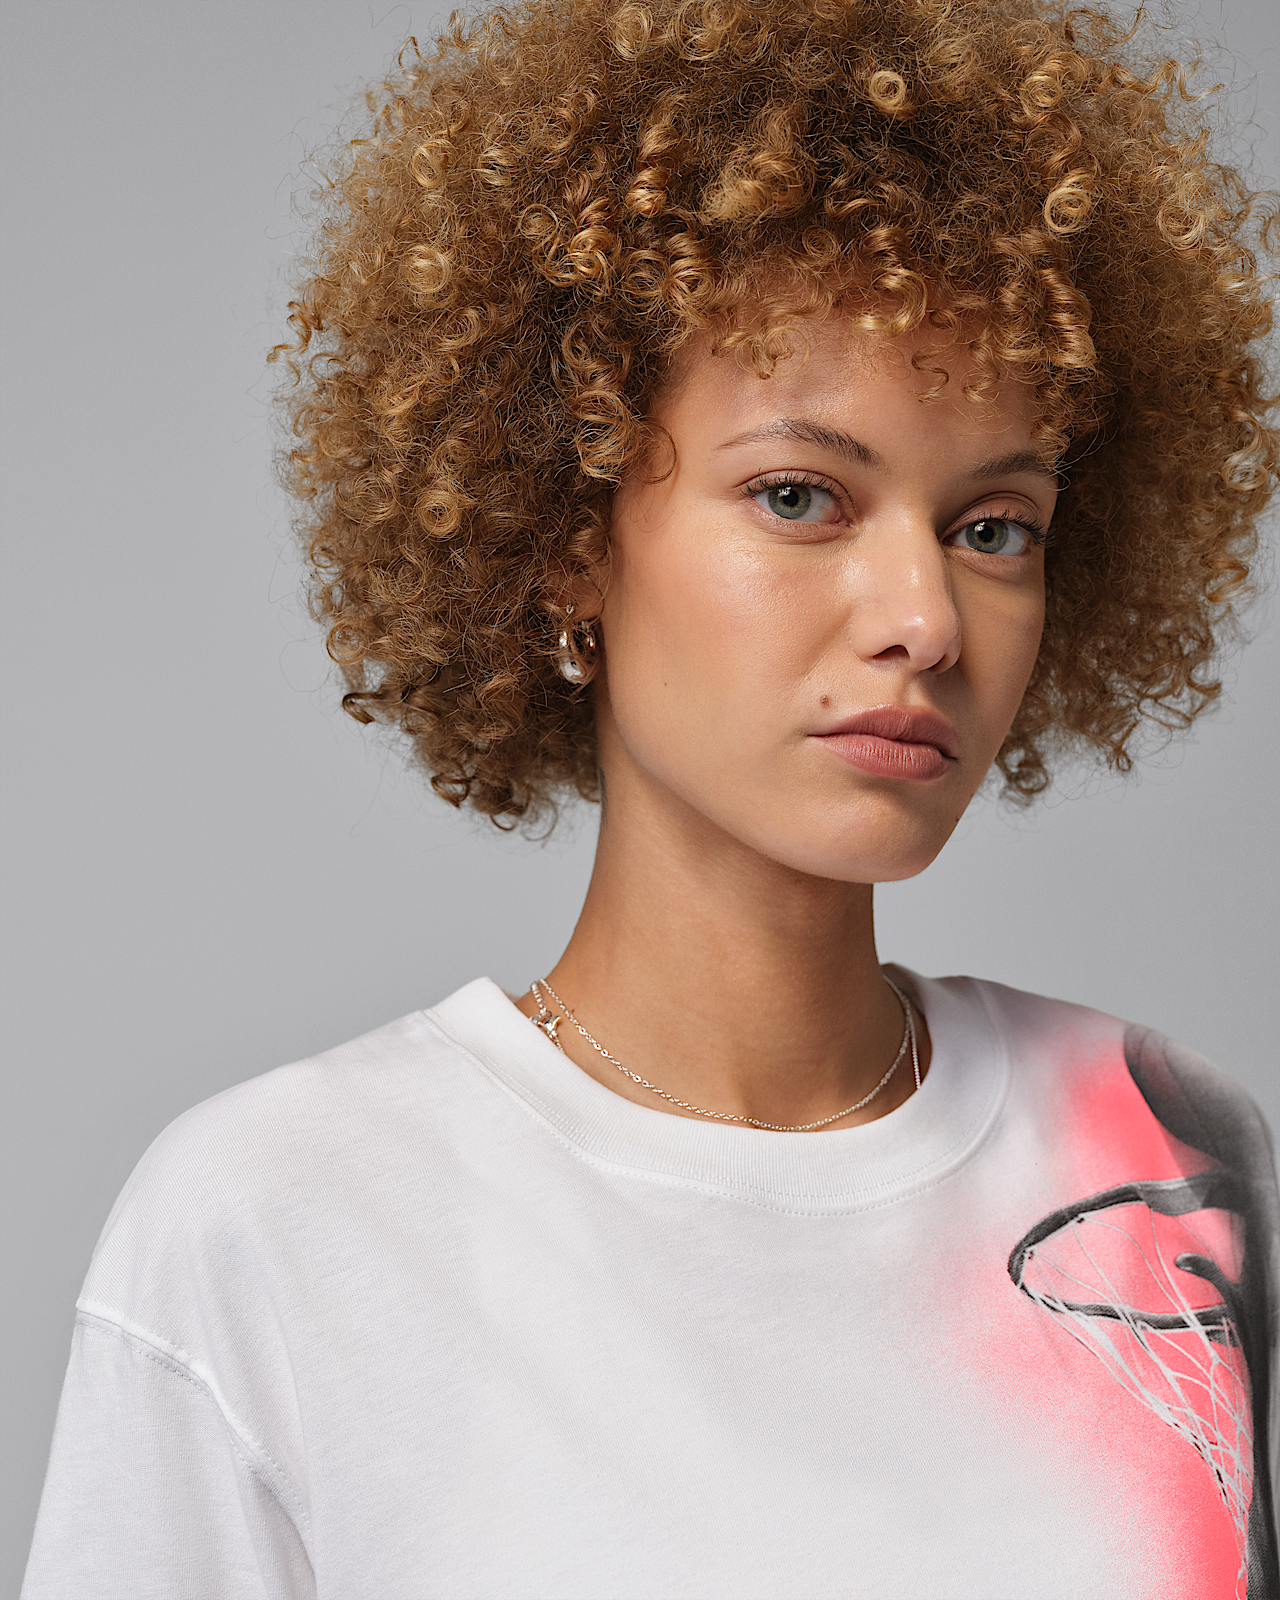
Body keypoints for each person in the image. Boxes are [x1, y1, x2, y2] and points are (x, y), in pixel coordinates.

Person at [22, 0, 1279, 1594]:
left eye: (994, 528)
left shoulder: (1166, 1152)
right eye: (800, 495)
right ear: (570, 538)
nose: (925, 619)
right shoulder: (277, 1225)